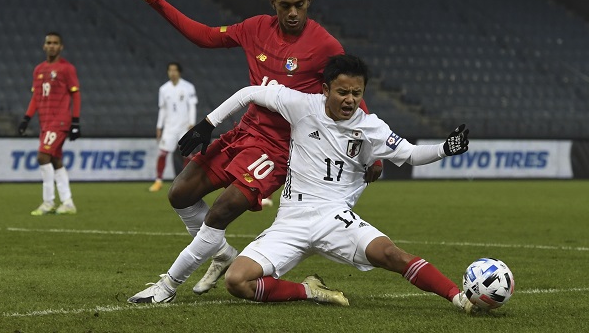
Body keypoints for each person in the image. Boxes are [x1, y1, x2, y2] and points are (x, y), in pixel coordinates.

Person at [128, 0, 383, 300]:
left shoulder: (325, 45)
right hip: (245, 132)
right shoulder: (254, 28)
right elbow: (204, 36)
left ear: (309, 1)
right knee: (180, 192)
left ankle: (167, 287)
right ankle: (220, 255)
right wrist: (158, 3)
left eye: (299, 5)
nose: (292, 13)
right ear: (272, 2)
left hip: (279, 149)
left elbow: (350, 93)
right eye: (284, 6)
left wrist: (374, 149)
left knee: (221, 209)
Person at [163, 54, 477, 312]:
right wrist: (208, 123)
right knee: (237, 281)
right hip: (291, 221)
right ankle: (309, 291)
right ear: (325, 89)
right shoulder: (301, 105)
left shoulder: (371, 127)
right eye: (343, 92)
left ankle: (458, 297)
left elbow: (409, 154)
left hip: (335, 217)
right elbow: (250, 93)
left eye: (357, 93)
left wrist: (444, 149)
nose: (350, 100)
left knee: (392, 255)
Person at [18, 32, 81, 216]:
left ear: (61, 47)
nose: (52, 46)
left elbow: (76, 94)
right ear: (44, 46)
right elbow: (36, 97)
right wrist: (26, 118)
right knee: (55, 159)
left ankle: (47, 202)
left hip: (59, 120)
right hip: (45, 121)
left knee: (42, 157)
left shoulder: (66, 69)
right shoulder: (38, 70)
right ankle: (68, 202)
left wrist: (75, 121)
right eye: (49, 43)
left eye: (55, 43)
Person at [148, 62, 198, 192]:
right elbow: (162, 109)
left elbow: (192, 106)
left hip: (184, 127)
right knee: (162, 153)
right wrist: (159, 127)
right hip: (169, 128)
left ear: (179, 72)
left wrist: (192, 123)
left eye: (175, 70)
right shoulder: (163, 89)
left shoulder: (188, 87)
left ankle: (186, 182)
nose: (172, 73)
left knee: (187, 155)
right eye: (170, 70)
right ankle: (158, 181)